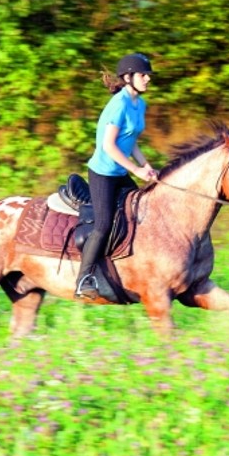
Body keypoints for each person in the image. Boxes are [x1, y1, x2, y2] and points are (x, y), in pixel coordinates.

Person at [76, 53, 158, 300]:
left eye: (148, 75)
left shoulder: (139, 104)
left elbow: (131, 141)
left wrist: (148, 166)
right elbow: (109, 146)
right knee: (103, 225)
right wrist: (136, 170)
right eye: (143, 75)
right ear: (128, 77)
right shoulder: (119, 104)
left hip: (121, 171)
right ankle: (84, 279)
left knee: (140, 211)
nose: (147, 79)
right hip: (103, 173)